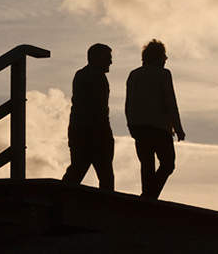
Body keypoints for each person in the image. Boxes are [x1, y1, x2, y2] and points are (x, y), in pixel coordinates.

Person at [125, 39, 185, 200]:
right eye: (164, 57)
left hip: (138, 126)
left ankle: (147, 198)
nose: (165, 60)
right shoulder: (164, 74)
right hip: (159, 127)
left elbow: (128, 102)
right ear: (159, 57)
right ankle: (149, 197)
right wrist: (178, 128)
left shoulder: (134, 74)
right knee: (168, 164)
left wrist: (130, 124)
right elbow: (170, 102)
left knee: (147, 165)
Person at [62, 43, 115, 191]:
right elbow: (101, 109)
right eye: (107, 58)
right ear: (97, 58)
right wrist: (106, 133)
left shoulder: (80, 74)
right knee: (106, 175)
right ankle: (107, 207)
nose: (110, 62)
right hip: (95, 131)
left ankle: (61, 197)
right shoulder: (98, 77)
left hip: (77, 128)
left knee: (77, 169)